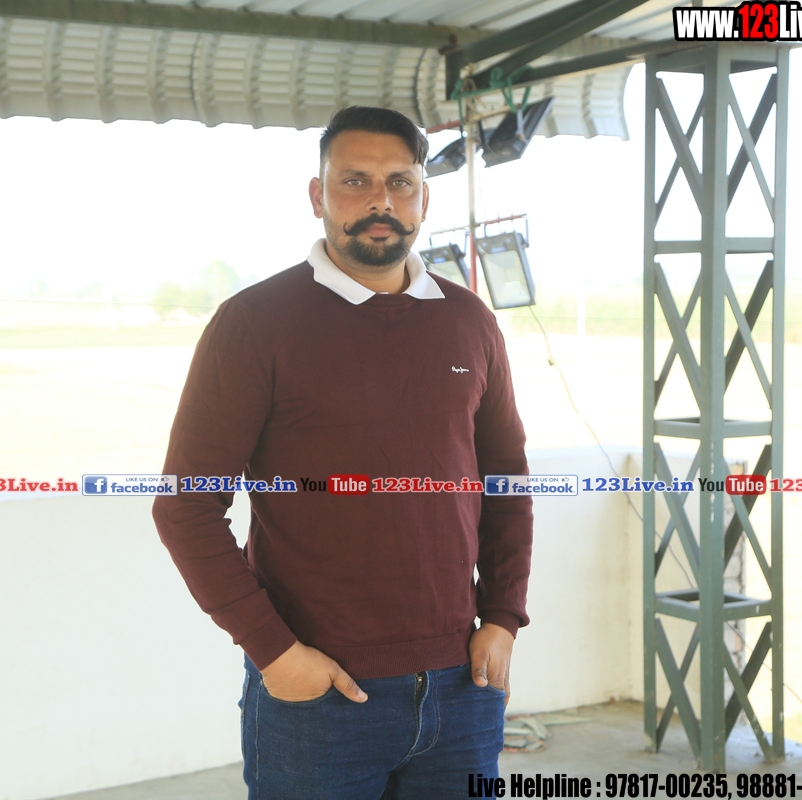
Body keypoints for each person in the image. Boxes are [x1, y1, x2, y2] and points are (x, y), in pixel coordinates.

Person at [152, 105, 534, 799]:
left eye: (399, 182)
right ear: (318, 194)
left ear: (424, 198)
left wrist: (504, 617)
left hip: (463, 687)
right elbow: (186, 507)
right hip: (318, 698)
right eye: (355, 181)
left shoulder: (469, 321)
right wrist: (274, 653)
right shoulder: (255, 323)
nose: (380, 201)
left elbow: (506, 482)